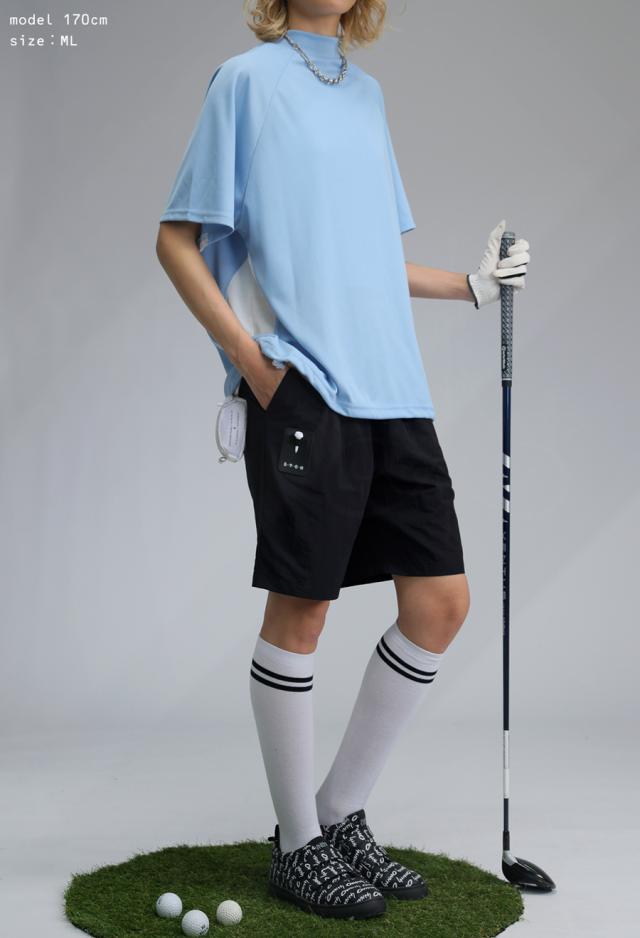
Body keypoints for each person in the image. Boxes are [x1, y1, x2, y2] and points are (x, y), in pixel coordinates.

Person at [156, 0, 530, 921]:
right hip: (306, 388)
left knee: (440, 604)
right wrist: (251, 363)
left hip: (394, 388)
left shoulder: (366, 96)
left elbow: (366, 261)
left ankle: (337, 813)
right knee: (305, 606)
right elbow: (176, 239)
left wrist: (474, 285)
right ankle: (297, 846)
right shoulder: (244, 83)